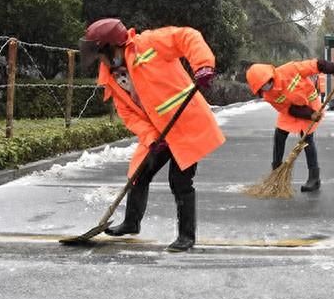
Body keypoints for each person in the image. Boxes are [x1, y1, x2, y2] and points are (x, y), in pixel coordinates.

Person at [79, 18, 225, 252]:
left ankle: (186, 236)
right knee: (139, 173)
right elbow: (129, 115)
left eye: (101, 54)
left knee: (180, 181)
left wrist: (203, 65)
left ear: (112, 47)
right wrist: (150, 137)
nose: (101, 61)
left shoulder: (148, 43)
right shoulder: (112, 76)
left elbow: (187, 35)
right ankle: (131, 223)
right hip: (158, 132)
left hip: (185, 123)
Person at [245, 59, 334, 192]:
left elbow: (316, 65)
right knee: (279, 136)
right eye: (263, 87)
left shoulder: (290, 69)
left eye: (267, 82)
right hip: (292, 111)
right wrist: (308, 115)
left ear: (271, 76)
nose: (267, 87)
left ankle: (314, 178)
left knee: (306, 140)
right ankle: (276, 173)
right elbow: (287, 109)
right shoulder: (268, 95)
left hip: (310, 105)